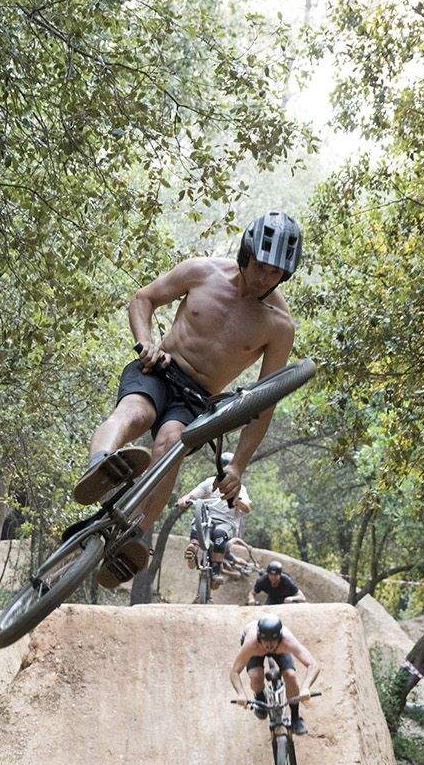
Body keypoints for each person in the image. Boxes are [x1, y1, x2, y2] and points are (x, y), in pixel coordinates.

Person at [73, 212, 302, 588]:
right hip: (159, 368)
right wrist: (145, 342)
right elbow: (143, 299)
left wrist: (237, 467)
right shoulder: (202, 272)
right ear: (246, 253)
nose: (265, 277)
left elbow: (264, 404)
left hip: (197, 399)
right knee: (136, 413)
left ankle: (134, 534)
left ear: (285, 274)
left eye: (275, 272)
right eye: (260, 265)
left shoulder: (278, 325)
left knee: (171, 444)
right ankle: (100, 466)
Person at [229, 614, 320, 736]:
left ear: (280, 637)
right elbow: (234, 672)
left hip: (280, 650)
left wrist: (305, 688)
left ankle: (295, 717)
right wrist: (241, 694)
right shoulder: (251, 643)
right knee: (255, 676)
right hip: (256, 651)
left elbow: (313, 665)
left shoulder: (287, 640)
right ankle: (260, 696)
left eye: (273, 641)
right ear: (259, 638)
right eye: (265, 641)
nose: (269, 645)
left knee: (290, 676)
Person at [177, 453, 255, 583]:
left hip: (226, 522)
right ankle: (193, 548)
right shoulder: (210, 482)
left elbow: (247, 508)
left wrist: (238, 501)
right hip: (208, 518)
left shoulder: (240, 488)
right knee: (199, 522)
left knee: (219, 534)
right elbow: (191, 495)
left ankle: (216, 571)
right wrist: (184, 500)